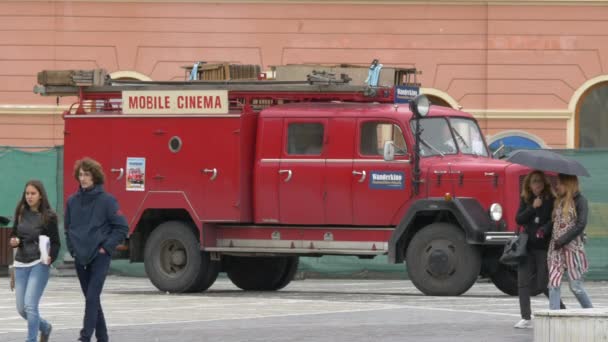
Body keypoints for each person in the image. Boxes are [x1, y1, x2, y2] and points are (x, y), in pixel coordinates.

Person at [65, 157, 128, 342]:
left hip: (99, 257)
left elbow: (122, 228)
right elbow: (68, 228)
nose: (83, 178)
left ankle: (84, 337)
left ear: (95, 177)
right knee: (93, 300)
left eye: (87, 174)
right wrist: (73, 250)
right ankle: (103, 337)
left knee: (92, 298)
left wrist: (105, 248)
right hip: (80, 257)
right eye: (81, 174)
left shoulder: (107, 201)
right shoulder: (72, 201)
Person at [9, 180, 60, 342]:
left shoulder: (49, 216)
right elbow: (14, 234)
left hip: (39, 263)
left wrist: (52, 256)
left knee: (30, 306)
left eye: (33, 193)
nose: (29, 196)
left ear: (40, 195)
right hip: (20, 264)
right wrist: (14, 240)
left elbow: (56, 242)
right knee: (22, 309)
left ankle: (31, 339)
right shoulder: (21, 211)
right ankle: (45, 327)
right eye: (27, 193)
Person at [513, 170, 563, 329]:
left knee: (542, 283)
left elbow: (553, 220)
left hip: (542, 246)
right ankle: (525, 317)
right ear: (529, 184)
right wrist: (532, 208)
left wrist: (544, 229)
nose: (537, 185)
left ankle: (562, 310)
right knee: (522, 282)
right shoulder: (526, 198)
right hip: (526, 246)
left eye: (540, 182)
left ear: (544, 183)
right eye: (534, 182)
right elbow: (519, 219)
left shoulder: (551, 199)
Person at [545, 173, 593, 310]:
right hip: (556, 249)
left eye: (559, 183)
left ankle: (591, 312)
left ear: (568, 184)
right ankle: (554, 317)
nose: (557, 186)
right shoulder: (558, 201)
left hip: (573, 250)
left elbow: (581, 224)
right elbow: (554, 222)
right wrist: (544, 229)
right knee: (553, 283)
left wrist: (563, 240)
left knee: (576, 287)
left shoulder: (580, 200)